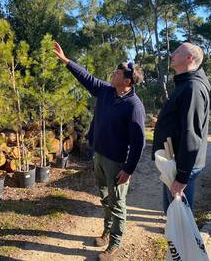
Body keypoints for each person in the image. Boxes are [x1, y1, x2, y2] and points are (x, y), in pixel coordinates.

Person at [53, 42, 145, 261]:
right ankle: (107, 230)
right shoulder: (106, 92)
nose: (112, 74)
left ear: (127, 81)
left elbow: (139, 142)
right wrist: (67, 61)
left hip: (117, 162)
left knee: (117, 203)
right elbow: (87, 77)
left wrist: (128, 169)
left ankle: (115, 244)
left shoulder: (134, 106)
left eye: (117, 73)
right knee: (105, 197)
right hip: (100, 156)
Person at [152, 42, 211, 214]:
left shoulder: (192, 87)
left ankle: (182, 242)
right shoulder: (185, 84)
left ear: (189, 58)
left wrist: (182, 176)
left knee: (180, 218)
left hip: (182, 166)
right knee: (173, 214)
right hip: (174, 162)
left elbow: (191, 133)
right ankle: (175, 241)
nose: (172, 55)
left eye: (177, 52)